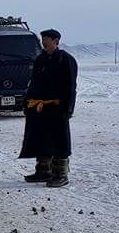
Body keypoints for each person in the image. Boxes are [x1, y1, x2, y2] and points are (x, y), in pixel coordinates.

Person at [19, 29, 78, 187]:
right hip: (39, 107)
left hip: (57, 107)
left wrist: (69, 108)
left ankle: (61, 174)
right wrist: (27, 102)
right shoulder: (41, 59)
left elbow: (71, 86)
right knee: (41, 138)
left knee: (60, 140)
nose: (43, 42)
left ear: (56, 41)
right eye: (42, 39)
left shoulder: (65, 60)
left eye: (46, 39)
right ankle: (43, 171)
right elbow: (34, 83)